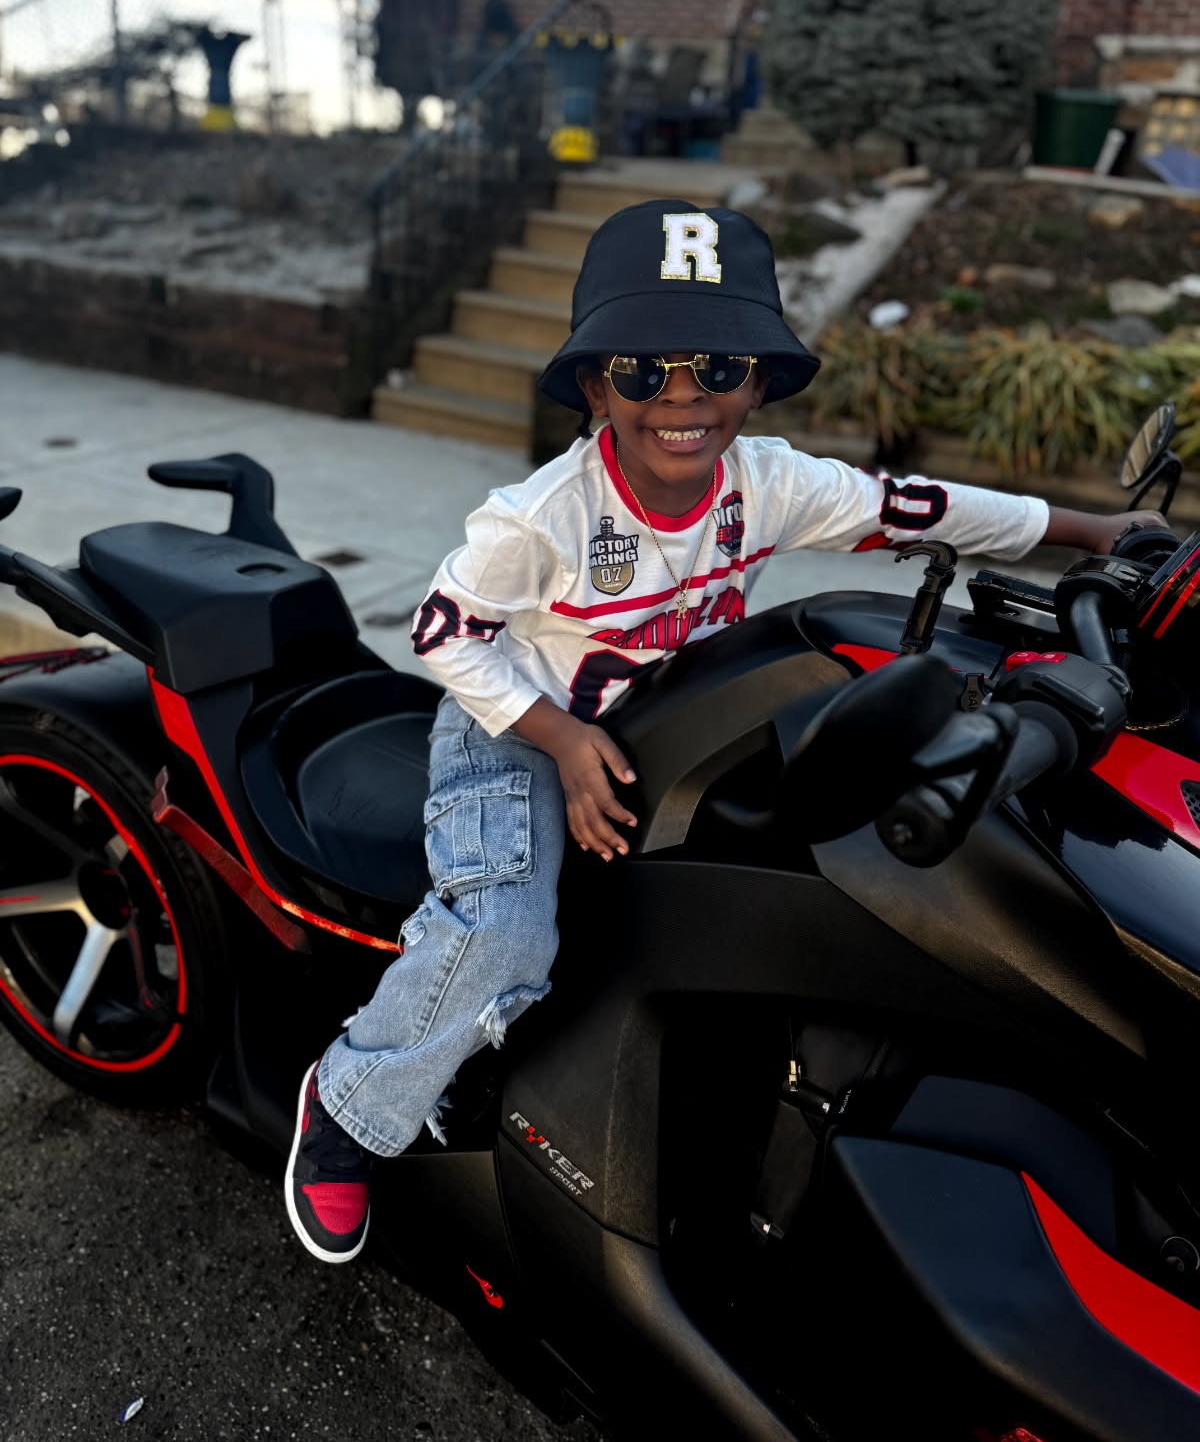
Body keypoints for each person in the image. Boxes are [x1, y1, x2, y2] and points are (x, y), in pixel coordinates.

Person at [284, 197, 1161, 1263]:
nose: (682, 395)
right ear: (596, 386)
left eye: (717, 364)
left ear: (759, 382)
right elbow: (443, 631)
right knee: (507, 930)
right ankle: (352, 1103)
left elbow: (923, 507)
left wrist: (1095, 532)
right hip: (513, 727)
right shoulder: (543, 516)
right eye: (642, 370)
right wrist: (560, 741)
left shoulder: (770, 483)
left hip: (663, 716)